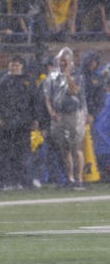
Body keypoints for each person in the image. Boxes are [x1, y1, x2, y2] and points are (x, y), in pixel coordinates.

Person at [0, 55, 39, 189]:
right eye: (12, 63)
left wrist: (35, 118)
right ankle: (2, 182)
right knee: (3, 154)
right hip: (5, 124)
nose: (14, 66)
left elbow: (35, 101)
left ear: (22, 66)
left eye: (17, 64)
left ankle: (23, 181)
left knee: (23, 154)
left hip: (23, 124)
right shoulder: (1, 80)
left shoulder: (29, 81)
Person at [43, 47, 87, 188]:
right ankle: (70, 178)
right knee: (64, 149)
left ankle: (79, 178)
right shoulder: (53, 76)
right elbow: (48, 96)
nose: (62, 63)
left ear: (71, 61)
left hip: (74, 114)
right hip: (59, 115)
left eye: (65, 60)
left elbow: (75, 91)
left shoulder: (78, 74)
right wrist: (51, 112)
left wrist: (68, 75)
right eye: (61, 60)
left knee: (76, 148)